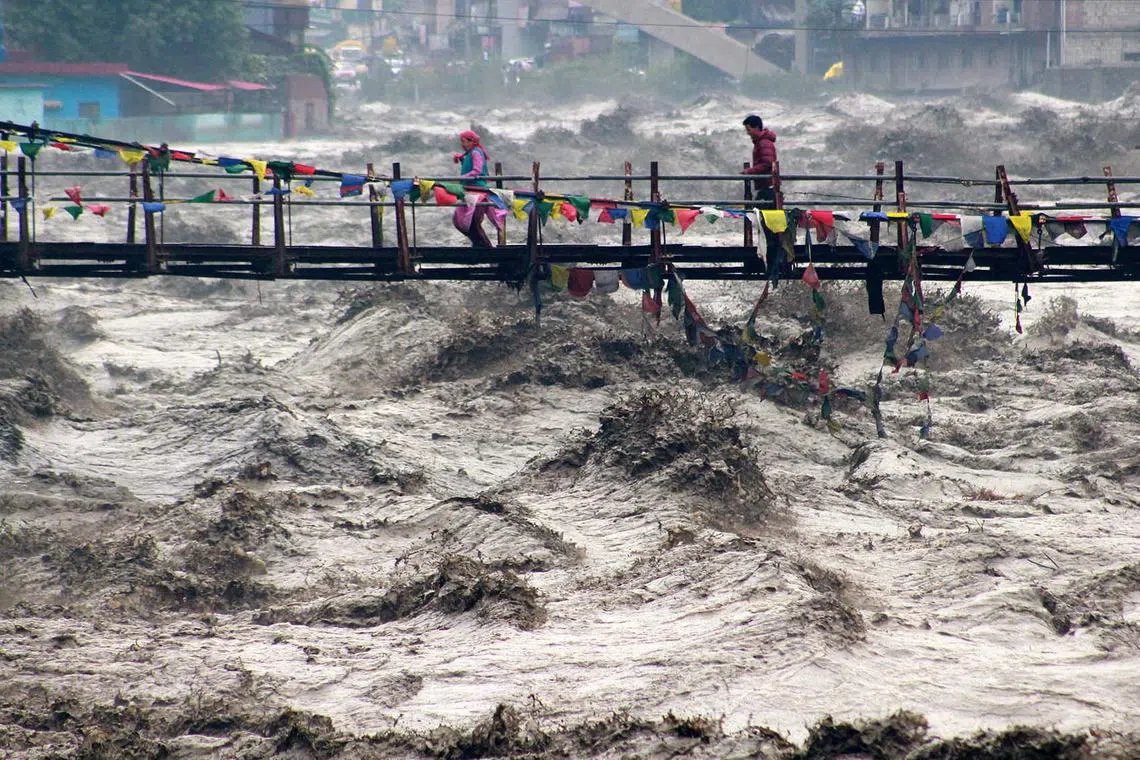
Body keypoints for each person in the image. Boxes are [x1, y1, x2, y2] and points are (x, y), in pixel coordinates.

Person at [452, 129, 493, 248]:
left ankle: (486, 247)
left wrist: (461, 177)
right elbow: (468, 165)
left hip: (478, 192)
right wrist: (461, 159)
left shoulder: (476, 152)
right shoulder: (470, 154)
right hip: (469, 191)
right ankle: (478, 243)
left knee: (474, 221)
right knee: (459, 220)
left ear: (471, 142)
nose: (462, 144)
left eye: (463, 141)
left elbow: (477, 171)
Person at [741, 113, 777, 203]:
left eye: (749, 130)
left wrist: (749, 171)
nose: (748, 133)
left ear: (756, 127)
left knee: (761, 212)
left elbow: (768, 163)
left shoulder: (763, 143)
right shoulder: (761, 142)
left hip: (767, 185)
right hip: (766, 185)